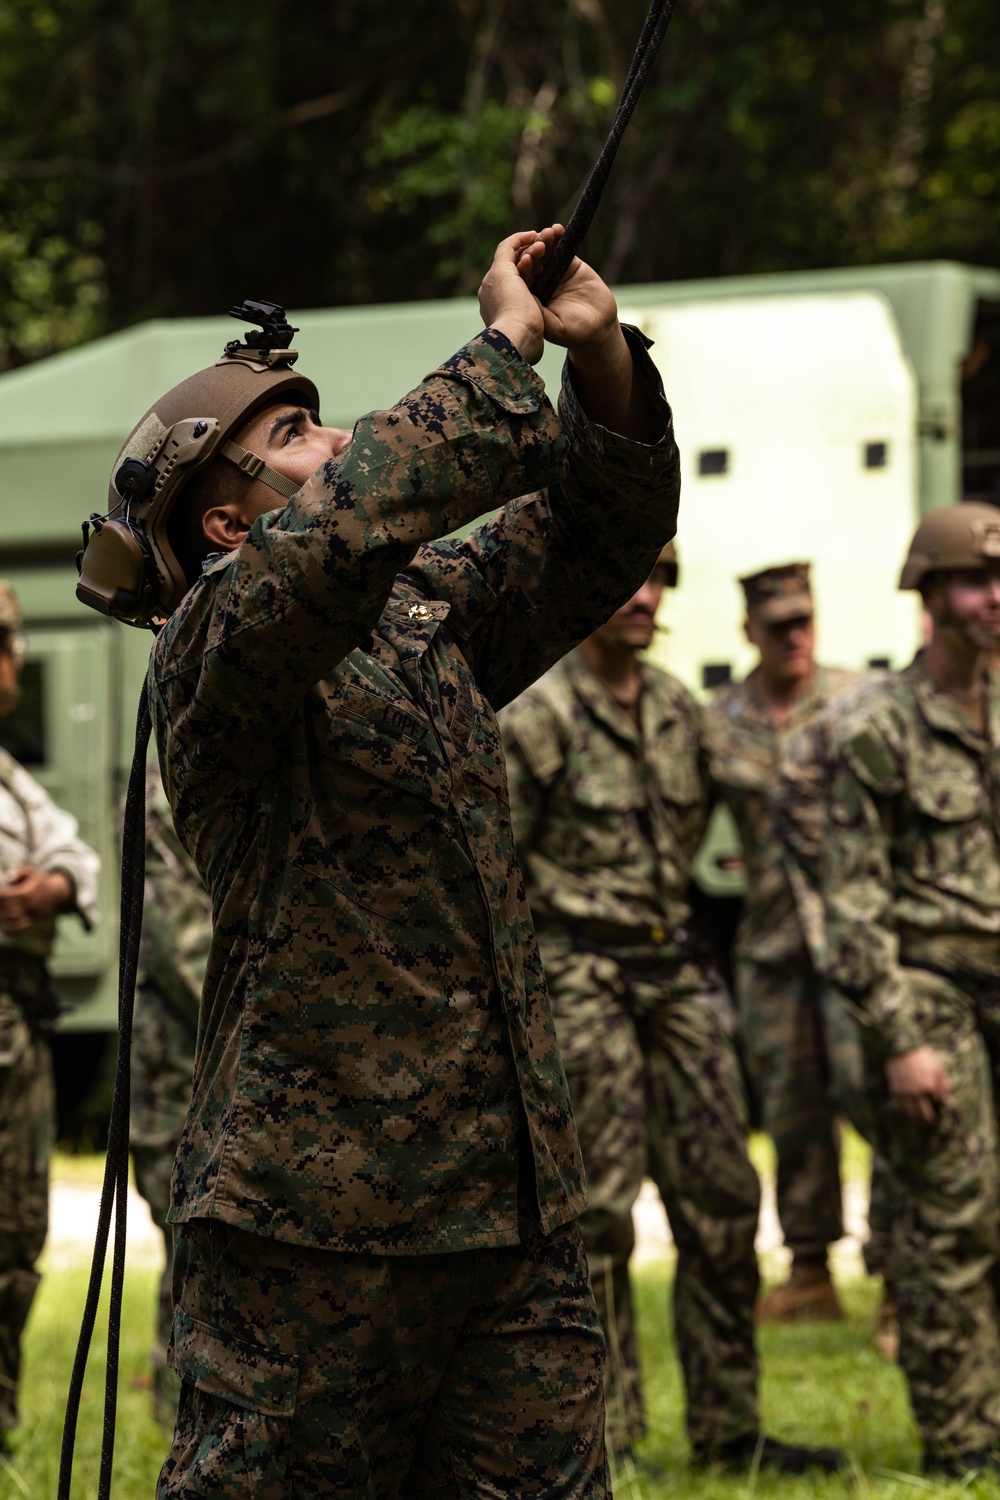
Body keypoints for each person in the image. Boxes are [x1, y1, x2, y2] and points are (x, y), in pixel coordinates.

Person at [100, 227, 680, 1498]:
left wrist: (598, 366)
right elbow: (346, 529)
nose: (336, 441)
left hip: (505, 1206)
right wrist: (497, 352)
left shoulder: (419, 624)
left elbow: (596, 529)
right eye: (295, 440)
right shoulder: (212, 652)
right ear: (224, 516)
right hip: (310, 1237)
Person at [499, 546, 841, 1476]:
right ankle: (607, 1440)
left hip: (672, 967)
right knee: (601, 1215)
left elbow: (772, 795)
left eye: (659, 581)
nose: (645, 596)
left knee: (726, 1198)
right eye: (628, 577)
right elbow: (497, 871)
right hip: (578, 975)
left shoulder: (680, 712)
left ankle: (732, 1430)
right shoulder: (538, 712)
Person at [824, 503, 1000, 1479]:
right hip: (930, 993)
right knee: (953, 1223)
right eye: (974, 581)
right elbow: (850, 899)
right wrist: (896, 1036)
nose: (994, 598)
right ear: (929, 595)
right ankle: (963, 1449)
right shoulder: (877, 723)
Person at [703, 562, 859, 1320]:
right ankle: (810, 1271)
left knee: (880, 1098)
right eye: (778, 625)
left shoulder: (857, 701)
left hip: (858, 938)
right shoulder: (718, 717)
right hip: (769, 944)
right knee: (793, 1110)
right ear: (749, 632)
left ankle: (901, 1274)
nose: (794, 634)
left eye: (804, 619)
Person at [772, 674, 899, 1358]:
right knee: (884, 1110)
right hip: (887, 953)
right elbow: (795, 795)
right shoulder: (875, 711)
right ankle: (893, 1288)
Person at [0, 580, 99, 1448]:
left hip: (17, 1022)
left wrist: (53, 886)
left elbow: (76, 852)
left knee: (16, 1235)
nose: (13, 661)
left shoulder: (8, 775)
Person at [130, 763, 204, 1424]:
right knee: (189, 1237)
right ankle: (176, 1421)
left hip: (220, 1047)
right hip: (179, 1058)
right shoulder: (175, 778)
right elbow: (185, 947)